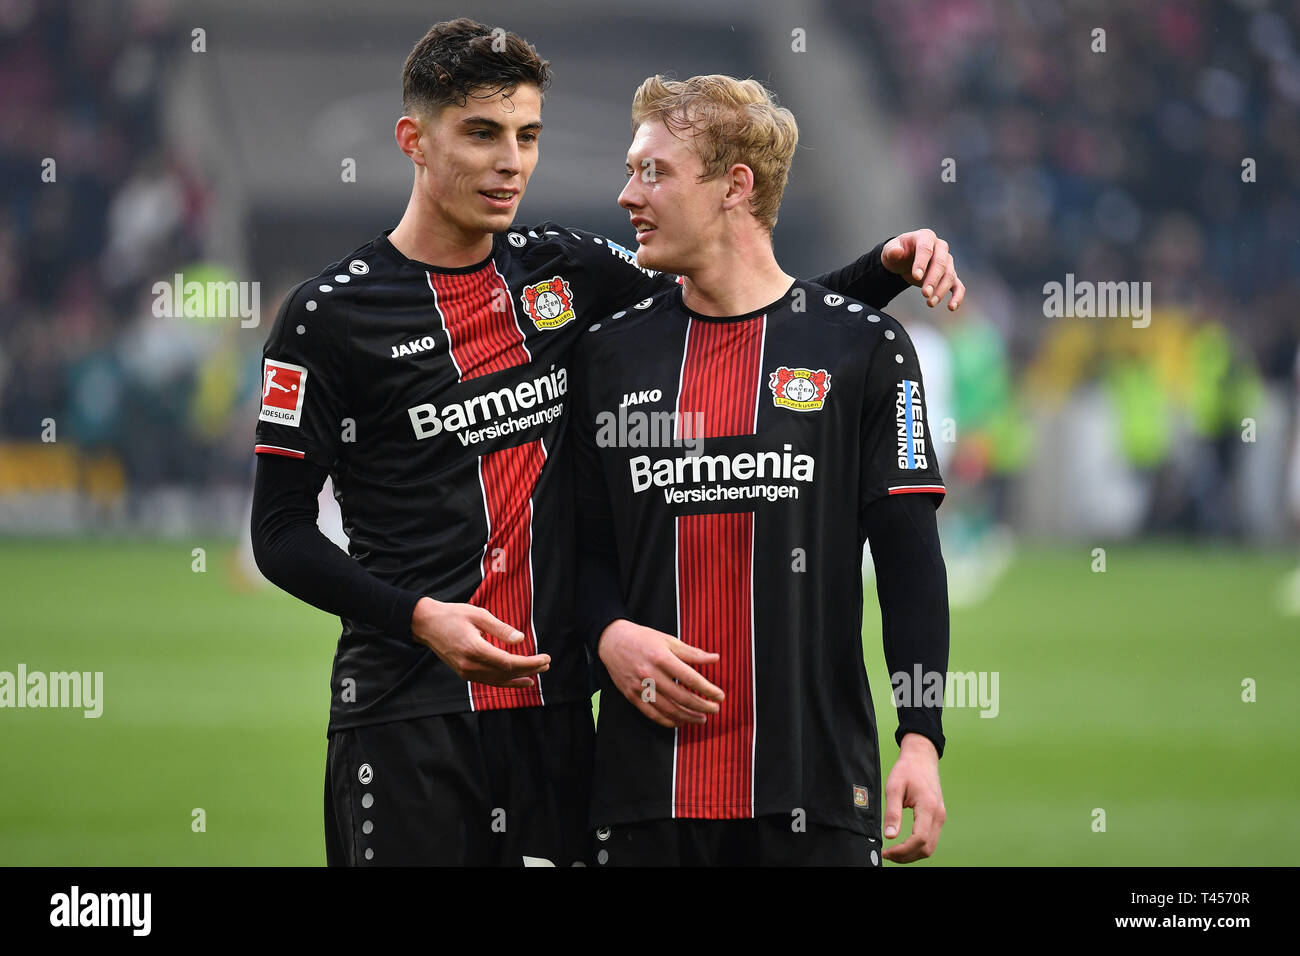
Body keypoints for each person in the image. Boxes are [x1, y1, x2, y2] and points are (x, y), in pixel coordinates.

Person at [251, 19, 964, 866]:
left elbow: (747, 312)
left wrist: (879, 270)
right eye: (481, 134)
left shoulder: (564, 273)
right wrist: (416, 617)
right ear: (414, 139)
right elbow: (282, 535)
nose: (509, 161)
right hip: (409, 715)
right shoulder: (329, 316)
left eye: (527, 136)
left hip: (556, 720)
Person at [573, 74, 950, 866]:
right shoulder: (608, 355)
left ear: (734, 187)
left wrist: (920, 739)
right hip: (646, 798)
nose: (625, 195)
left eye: (654, 172)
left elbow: (911, 560)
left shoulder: (864, 349)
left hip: (815, 798)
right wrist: (606, 634)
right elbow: (577, 546)